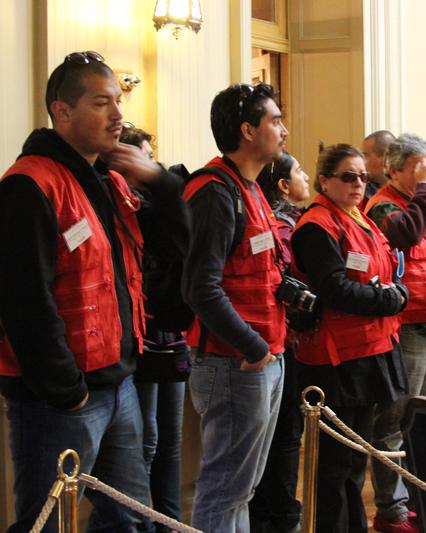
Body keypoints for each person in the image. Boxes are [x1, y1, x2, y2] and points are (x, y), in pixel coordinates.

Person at [0, 51, 190, 532]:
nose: (119, 116)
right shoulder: (29, 186)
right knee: (50, 521)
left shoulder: (109, 180)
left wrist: (160, 183)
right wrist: (66, 392)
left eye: (119, 102)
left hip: (118, 381)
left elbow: (168, 250)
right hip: (61, 396)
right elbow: (23, 300)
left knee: (130, 520)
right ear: (62, 111)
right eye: (103, 103)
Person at [181, 83, 287, 533]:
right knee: (225, 488)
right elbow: (200, 287)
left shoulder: (250, 188)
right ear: (247, 130)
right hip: (235, 360)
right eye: (274, 120)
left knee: (243, 487)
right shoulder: (214, 191)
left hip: (262, 353)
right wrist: (252, 347)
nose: (283, 129)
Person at [291, 143, 408, 533]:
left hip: (370, 350)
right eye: (347, 176)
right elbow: (334, 289)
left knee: (357, 460)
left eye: (362, 176)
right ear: (324, 180)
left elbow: (386, 271)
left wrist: (394, 293)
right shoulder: (317, 225)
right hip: (336, 360)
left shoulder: (359, 218)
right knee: (335, 464)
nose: (358, 183)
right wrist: (388, 299)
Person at [364, 133, 426, 533]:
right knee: (394, 420)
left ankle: (417, 496)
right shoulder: (383, 204)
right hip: (407, 327)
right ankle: (390, 508)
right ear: (396, 168)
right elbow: (405, 236)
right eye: (420, 167)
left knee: (421, 417)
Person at [120, 123, 187, 531]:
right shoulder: (126, 207)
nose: (151, 166)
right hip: (140, 337)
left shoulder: (161, 205)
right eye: (142, 158)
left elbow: (180, 248)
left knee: (171, 444)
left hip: (171, 335)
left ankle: (171, 524)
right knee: (145, 442)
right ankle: (143, 524)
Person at [250, 151, 310, 533]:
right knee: (282, 435)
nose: (308, 176)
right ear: (284, 186)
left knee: (280, 435)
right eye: (300, 171)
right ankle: (281, 514)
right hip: (277, 339)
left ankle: (274, 513)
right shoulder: (284, 225)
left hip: (279, 339)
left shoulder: (283, 219)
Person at [360, 130, 396, 208]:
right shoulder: (358, 191)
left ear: (385, 157)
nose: (362, 162)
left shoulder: (409, 191)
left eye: (365, 156)